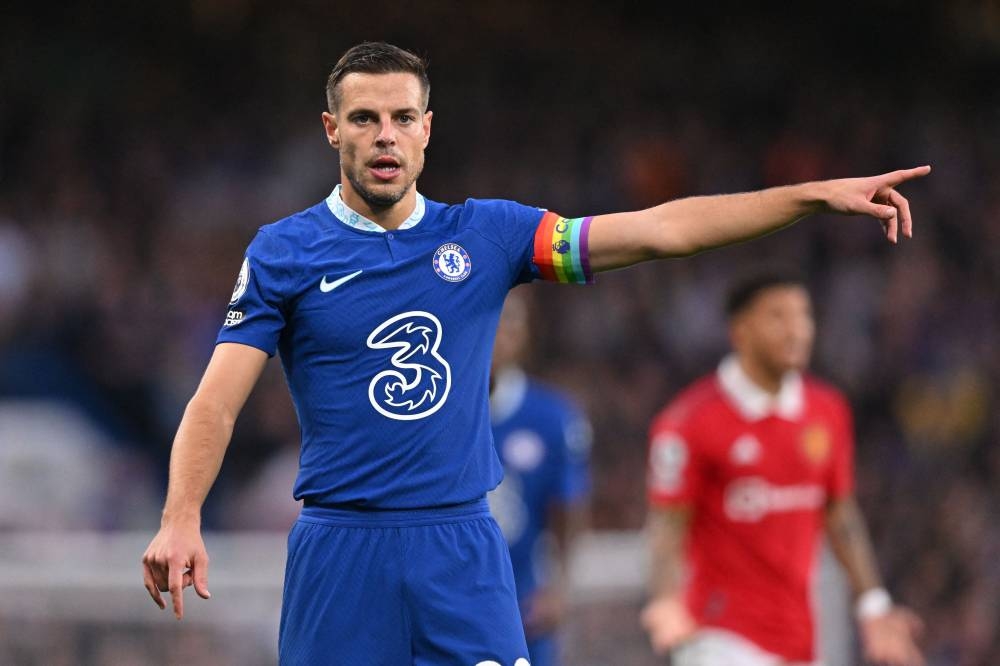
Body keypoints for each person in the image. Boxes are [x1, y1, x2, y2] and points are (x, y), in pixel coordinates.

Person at [140, 40, 929, 665]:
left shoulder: (488, 233)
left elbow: (659, 230)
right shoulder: (286, 251)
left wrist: (809, 196)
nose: (385, 135)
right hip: (340, 549)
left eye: (402, 117)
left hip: (461, 547)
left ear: (427, 128)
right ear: (331, 130)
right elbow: (216, 400)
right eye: (365, 118)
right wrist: (181, 517)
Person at [640, 273, 924, 666]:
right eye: (778, 316)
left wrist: (873, 605)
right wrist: (665, 600)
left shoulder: (828, 411)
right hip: (718, 636)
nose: (797, 330)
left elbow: (840, 514)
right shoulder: (688, 422)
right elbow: (667, 524)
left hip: (800, 639)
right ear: (740, 330)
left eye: (803, 315)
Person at [488, 291, 591, 666]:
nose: (499, 333)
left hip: (522, 603)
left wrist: (559, 589)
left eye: (512, 322)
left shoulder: (552, 417)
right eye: (490, 319)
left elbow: (570, 507)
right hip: (441, 600)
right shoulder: (424, 409)